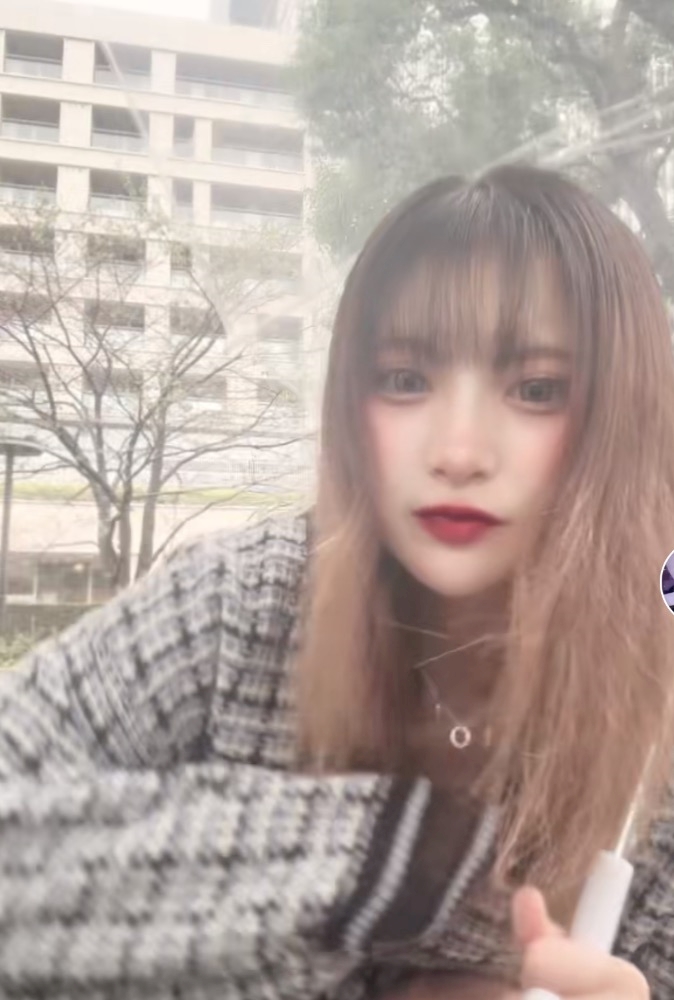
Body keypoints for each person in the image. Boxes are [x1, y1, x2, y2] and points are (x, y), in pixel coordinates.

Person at [1, 163, 673, 1000]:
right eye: (405, 380)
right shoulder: (251, 605)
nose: (458, 451)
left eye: (537, 390)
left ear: (624, 414)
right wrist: (394, 868)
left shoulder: (660, 712)